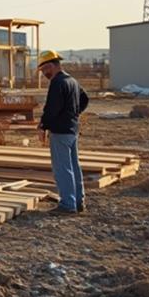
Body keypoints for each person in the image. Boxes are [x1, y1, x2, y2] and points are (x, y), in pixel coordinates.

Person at [37, 50, 90, 214]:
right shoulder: (72, 80)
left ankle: (68, 204)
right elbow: (85, 99)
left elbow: (51, 108)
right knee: (74, 166)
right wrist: (73, 114)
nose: (45, 73)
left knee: (62, 168)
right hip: (72, 129)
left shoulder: (57, 82)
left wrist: (43, 126)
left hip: (60, 131)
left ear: (52, 66)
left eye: (45, 69)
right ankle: (78, 202)